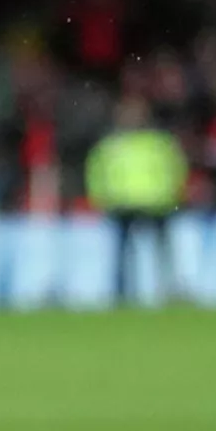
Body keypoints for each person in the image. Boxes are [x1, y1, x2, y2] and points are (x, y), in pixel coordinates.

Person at [85, 95, 187, 304]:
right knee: (124, 253)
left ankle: (168, 290)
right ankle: (122, 293)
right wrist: (99, 198)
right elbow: (95, 171)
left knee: (160, 251)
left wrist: (175, 194)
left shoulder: (158, 142)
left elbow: (176, 168)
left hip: (156, 202)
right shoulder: (111, 144)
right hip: (123, 204)